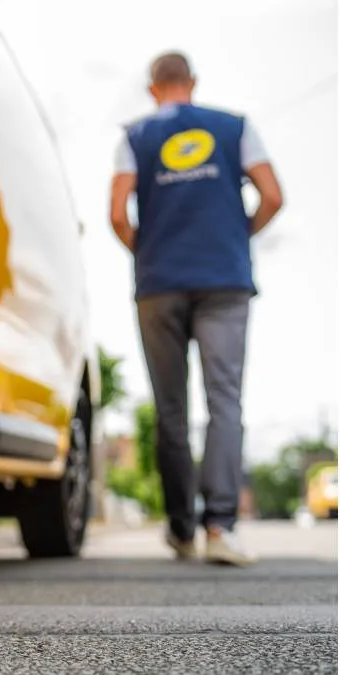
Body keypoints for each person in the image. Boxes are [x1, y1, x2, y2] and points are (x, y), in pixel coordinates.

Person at [109, 51, 283, 566]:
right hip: (224, 280)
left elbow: (117, 215)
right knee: (224, 400)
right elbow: (272, 195)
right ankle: (220, 528)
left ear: (152, 89)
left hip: (159, 284)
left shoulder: (134, 138)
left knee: (170, 410)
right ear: (193, 83)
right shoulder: (235, 128)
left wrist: (149, 250)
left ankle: (181, 529)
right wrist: (238, 237)